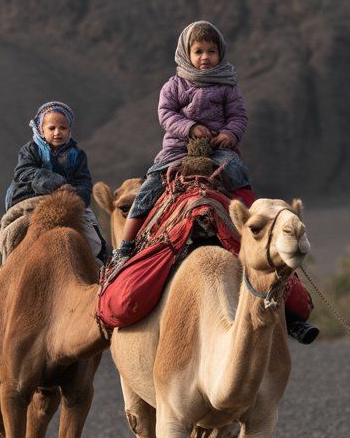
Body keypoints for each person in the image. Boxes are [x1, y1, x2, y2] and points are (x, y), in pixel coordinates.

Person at [110, 19, 318, 343]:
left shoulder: (228, 86)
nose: (205, 57)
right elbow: (166, 114)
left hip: (220, 151)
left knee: (239, 180)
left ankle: (257, 229)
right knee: (148, 190)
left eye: (211, 51)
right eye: (198, 51)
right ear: (186, 53)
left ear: (220, 53)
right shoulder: (174, 85)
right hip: (178, 150)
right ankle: (125, 247)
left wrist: (228, 134)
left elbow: (239, 117)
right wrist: (191, 128)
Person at [5, 100, 108, 263]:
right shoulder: (30, 150)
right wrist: (57, 184)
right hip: (31, 198)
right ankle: (9, 270)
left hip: (69, 199)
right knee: (10, 236)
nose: (57, 132)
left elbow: (84, 183)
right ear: (41, 129)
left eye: (63, 128)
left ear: (69, 130)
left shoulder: (77, 155)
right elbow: (23, 172)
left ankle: (104, 266)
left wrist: (73, 194)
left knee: (96, 241)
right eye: (51, 128)